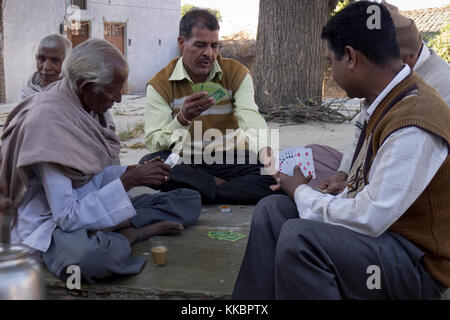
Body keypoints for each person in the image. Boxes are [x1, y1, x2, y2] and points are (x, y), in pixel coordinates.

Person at [232, 1, 449, 300]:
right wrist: (336, 183)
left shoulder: (415, 120)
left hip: (415, 265)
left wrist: (301, 192)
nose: (329, 71)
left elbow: (370, 217)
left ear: (350, 57)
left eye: (329, 61)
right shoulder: (386, 98)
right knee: (273, 211)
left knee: (300, 239)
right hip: (385, 237)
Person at [0, 39, 201, 283]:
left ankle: (109, 230)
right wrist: (128, 181)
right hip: (50, 222)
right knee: (89, 258)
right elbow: (67, 216)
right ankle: (131, 235)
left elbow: (86, 175)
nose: (118, 98)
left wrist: (131, 171)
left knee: (188, 200)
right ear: (86, 86)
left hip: (84, 204)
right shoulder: (49, 127)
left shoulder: (84, 101)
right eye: (112, 90)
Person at [140, 9, 281, 205]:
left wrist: (266, 154)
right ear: (181, 43)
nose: (209, 53)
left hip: (232, 158)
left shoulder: (236, 73)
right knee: (150, 163)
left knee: (271, 176)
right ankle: (225, 189)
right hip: (187, 160)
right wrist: (182, 119)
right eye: (200, 45)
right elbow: (154, 141)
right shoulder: (160, 84)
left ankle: (204, 189)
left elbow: (250, 118)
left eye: (214, 46)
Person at [319, 0, 450, 195]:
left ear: (409, 58)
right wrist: (344, 173)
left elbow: (387, 195)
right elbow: (362, 130)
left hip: (408, 186)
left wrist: (352, 187)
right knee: (317, 155)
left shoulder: (436, 89)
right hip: (373, 173)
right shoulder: (387, 77)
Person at [18, 34, 72, 100]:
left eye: (54, 60)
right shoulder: (29, 88)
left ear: (67, 62)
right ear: (36, 58)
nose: (46, 67)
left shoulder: (73, 93)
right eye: (42, 58)